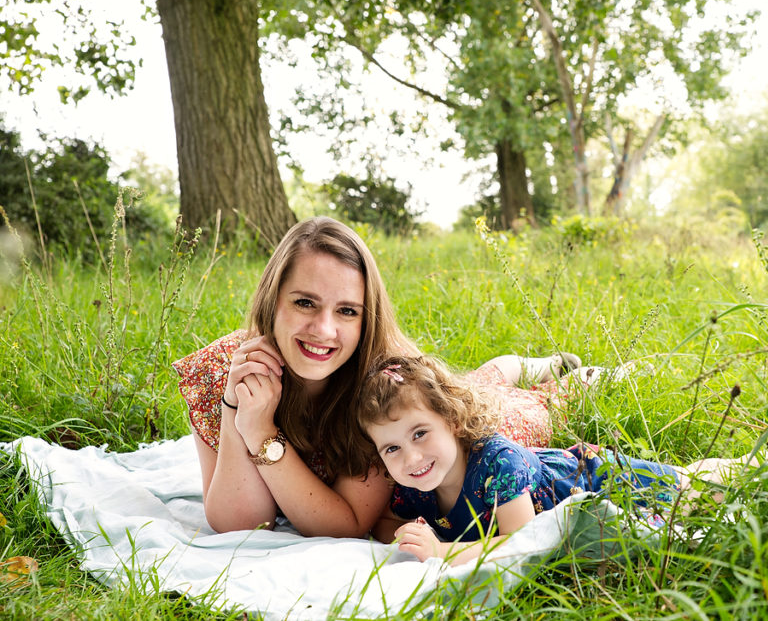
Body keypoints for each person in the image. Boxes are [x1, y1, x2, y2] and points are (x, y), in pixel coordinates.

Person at [172, 216, 585, 538]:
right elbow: (239, 524)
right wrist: (237, 409)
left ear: (366, 317)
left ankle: (549, 371)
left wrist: (263, 434)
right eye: (304, 303)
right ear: (273, 299)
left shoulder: (384, 387)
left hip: (476, 431)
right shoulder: (224, 366)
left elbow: (349, 522)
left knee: (520, 401)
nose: (324, 330)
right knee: (478, 382)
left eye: (347, 311)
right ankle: (515, 365)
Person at [357, 355, 750, 565]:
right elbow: (386, 521)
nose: (410, 457)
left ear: (454, 421)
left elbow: (522, 542)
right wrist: (410, 533)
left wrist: (443, 552)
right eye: (391, 449)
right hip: (570, 488)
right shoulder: (417, 485)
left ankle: (759, 460)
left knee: (697, 489)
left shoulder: (495, 464)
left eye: (420, 433)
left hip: (597, 481)